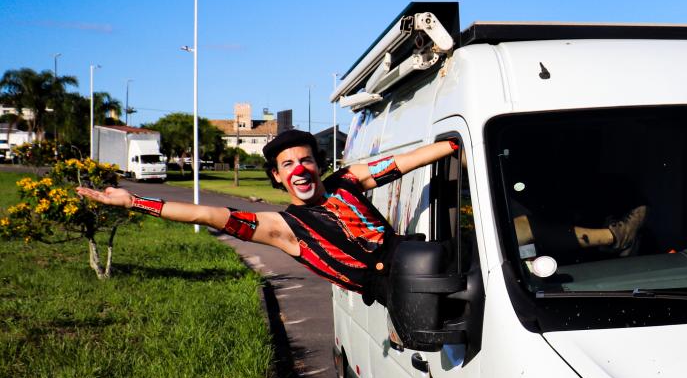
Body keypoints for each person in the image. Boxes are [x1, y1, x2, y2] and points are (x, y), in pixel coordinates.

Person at [75, 129, 458, 300]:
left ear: (318, 164)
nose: (299, 168)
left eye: (306, 160)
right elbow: (207, 215)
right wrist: (134, 202)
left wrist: (457, 143)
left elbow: (400, 164)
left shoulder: (346, 181)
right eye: (288, 164)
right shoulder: (283, 228)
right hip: (407, 294)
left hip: (426, 260)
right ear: (277, 176)